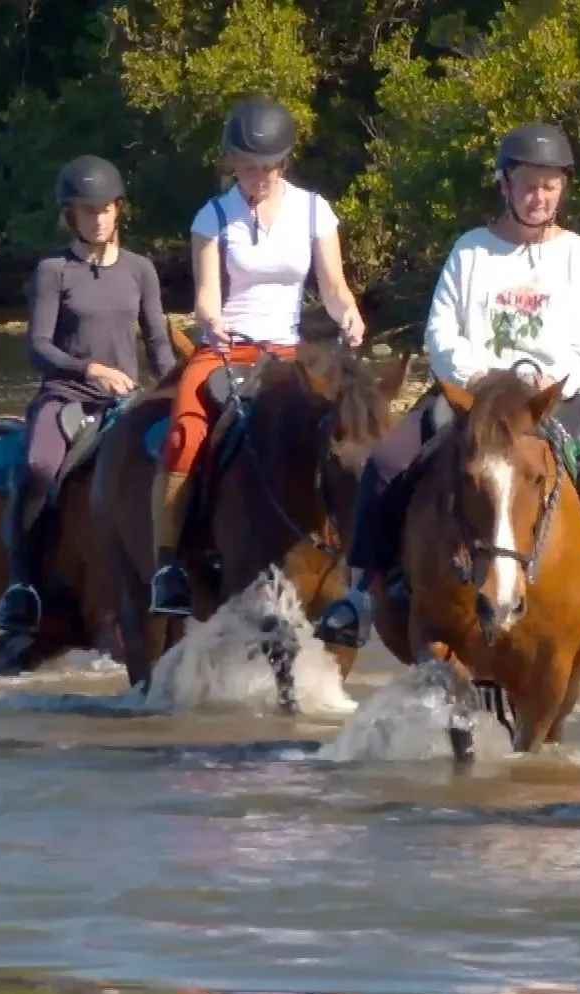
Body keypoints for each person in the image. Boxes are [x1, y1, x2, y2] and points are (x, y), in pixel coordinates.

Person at [313, 122, 580, 673]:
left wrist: (539, 387)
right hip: (470, 396)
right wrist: (477, 380)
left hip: (554, 398)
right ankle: (359, 597)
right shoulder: (471, 251)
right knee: (385, 463)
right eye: (529, 184)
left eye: (551, 185)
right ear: (505, 185)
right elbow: (440, 333)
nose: (540, 196)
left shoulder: (578, 255)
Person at [149, 95, 365, 617]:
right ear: (232, 162)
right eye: (247, 167)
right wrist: (212, 321)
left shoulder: (315, 210)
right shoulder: (212, 216)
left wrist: (349, 313)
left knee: (353, 431)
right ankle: (169, 565)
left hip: (290, 350)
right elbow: (205, 296)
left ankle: (360, 566)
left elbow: (332, 285)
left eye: (267, 167)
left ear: (284, 163)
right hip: (229, 344)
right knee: (183, 434)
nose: (257, 177)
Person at [0, 155, 176, 639]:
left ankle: (175, 573)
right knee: (38, 467)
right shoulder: (53, 271)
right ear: (70, 214)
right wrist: (89, 368)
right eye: (86, 210)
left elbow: (157, 341)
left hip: (127, 402)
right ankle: (21, 585)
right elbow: (38, 346)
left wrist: (179, 389)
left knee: (179, 464)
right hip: (66, 396)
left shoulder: (140, 270)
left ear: (119, 210)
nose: (97, 218)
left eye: (105, 209)